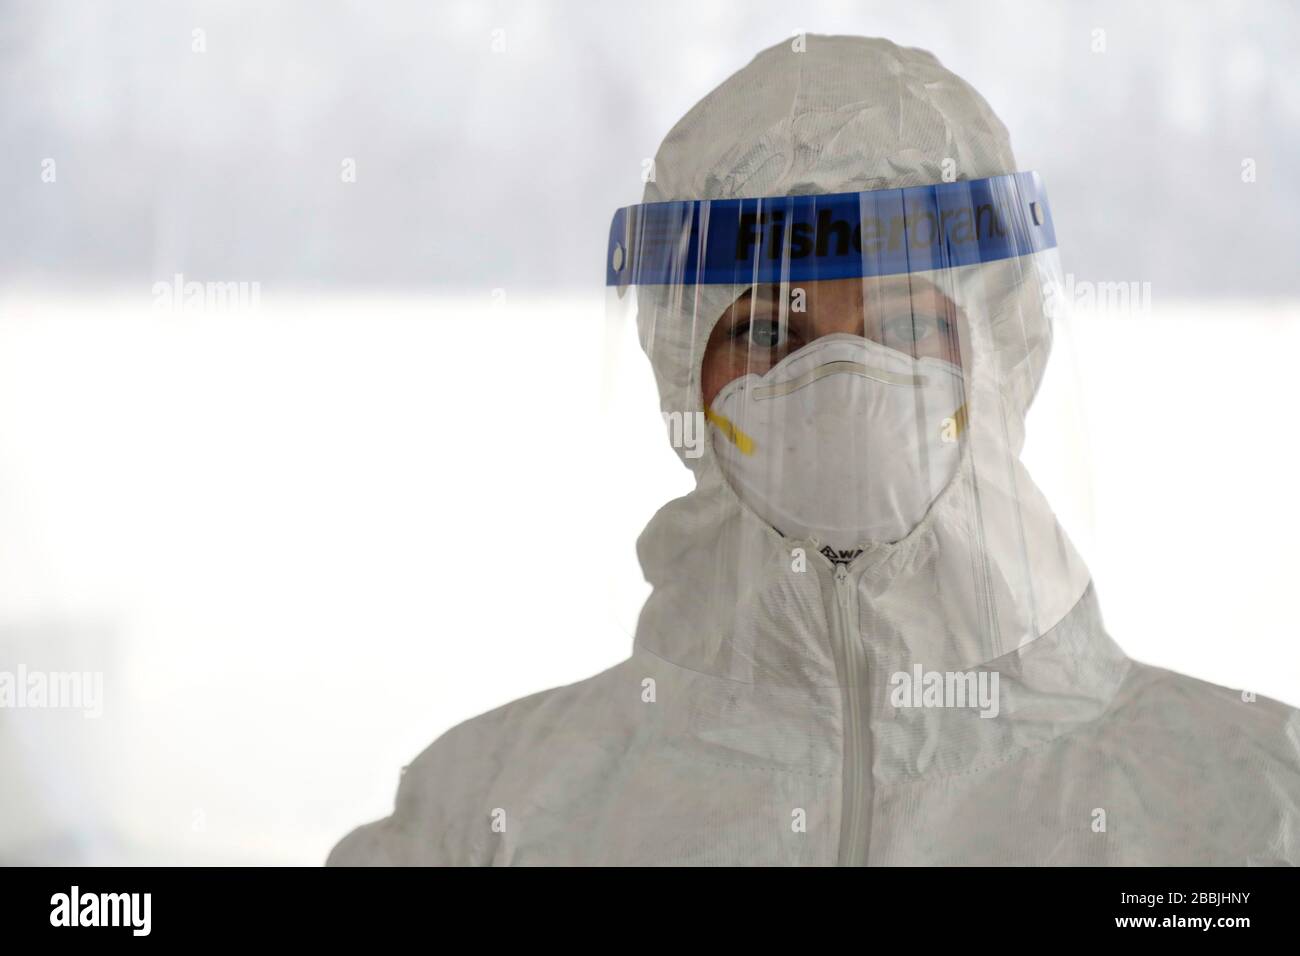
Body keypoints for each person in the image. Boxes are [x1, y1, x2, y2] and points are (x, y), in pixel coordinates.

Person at [328, 35, 1300, 866]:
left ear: (1004, 353)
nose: (844, 382)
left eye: (904, 327)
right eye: (766, 334)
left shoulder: (1244, 807)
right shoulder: (491, 821)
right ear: (680, 370)